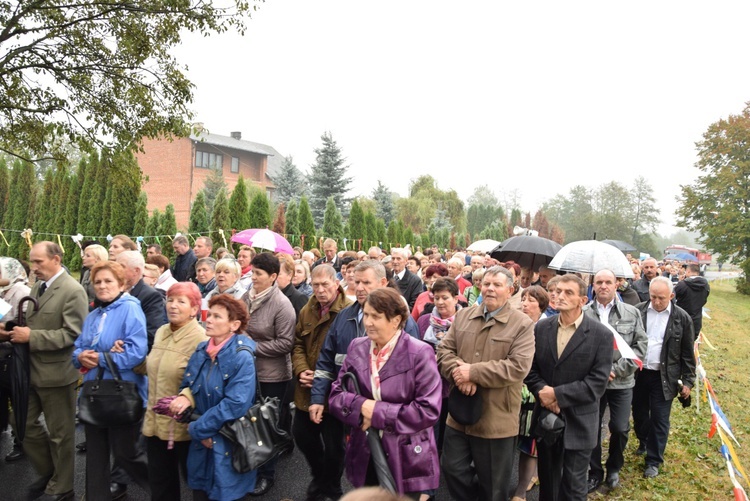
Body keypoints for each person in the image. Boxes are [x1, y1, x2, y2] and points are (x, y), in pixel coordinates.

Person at [329, 288, 442, 498]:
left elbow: (428, 410)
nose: (368, 322)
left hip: (407, 455)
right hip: (365, 449)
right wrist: (362, 406)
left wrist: (377, 412)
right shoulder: (357, 347)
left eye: (376, 317)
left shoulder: (419, 353)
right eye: (367, 314)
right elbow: (336, 395)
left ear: (396, 320)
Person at [437, 266, 535, 501]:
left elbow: (518, 366)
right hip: (459, 415)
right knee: (452, 470)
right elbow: (444, 351)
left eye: (497, 285)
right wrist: (460, 374)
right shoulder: (463, 316)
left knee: (493, 487)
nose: (490, 288)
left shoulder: (522, 324)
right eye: (487, 283)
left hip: (496, 419)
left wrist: (474, 373)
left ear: (510, 289)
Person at [0, 242, 88, 501]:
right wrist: (12, 330)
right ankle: (51, 471)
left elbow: (73, 334)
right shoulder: (39, 286)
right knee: (20, 423)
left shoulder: (73, 291)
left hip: (58, 375)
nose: (34, 267)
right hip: (30, 371)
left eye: (38, 262)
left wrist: (32, 337)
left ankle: (62, 487)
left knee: (61, 435)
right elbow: (35, 320)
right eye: (32, 262)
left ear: (56, 259)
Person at [524, 275, 613, 501]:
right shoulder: (542, 328)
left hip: (579, 422)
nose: (559, 295)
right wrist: (543, 392)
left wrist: (556, 395)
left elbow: (597, 382)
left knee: (573, 489)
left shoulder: (601, 335)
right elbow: (531, 370)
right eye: (558, 290)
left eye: (568, 292)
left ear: (582, 300)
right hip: (546, 420)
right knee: (548, 487)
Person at [72, 261, 150, 499]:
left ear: (121, 283)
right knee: (96, 455)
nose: (103, 286)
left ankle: (160, 487)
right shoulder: (94, 314)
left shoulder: (131, 309)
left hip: (122, 393)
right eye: (98, 282)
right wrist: (80, 356)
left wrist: (100, 358)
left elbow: (136, 352)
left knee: (127, 455)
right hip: (94, 393)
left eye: (108, 281)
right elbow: (78, 346)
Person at [168, 295, 257, 501]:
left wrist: (200, 429)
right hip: (202, 441)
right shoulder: (201, 350)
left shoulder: (241, 356)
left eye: (217, 316)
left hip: (229, 440)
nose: (208, 319)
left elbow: (236, 403)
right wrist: (184, 398)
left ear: (234, 325)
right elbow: (188, 384)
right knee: (200, 492)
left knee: (226, 492)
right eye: (210, 314)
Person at [310, 260, 421, 424]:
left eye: (366, 282)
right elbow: (326, 360)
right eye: (357, 282)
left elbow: (412, 378)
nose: (359, 288)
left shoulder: (403, 322)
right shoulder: (344, 316)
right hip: (348, 409)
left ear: (383, 282)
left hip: (386, 416)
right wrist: (318, 397)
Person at [583, 269, 647, 493]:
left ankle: (613, 467)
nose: (603, 286)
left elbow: (640, 348)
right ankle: (594, 472)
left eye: (608, 282)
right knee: (591, 429)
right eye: (598, 282)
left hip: (621, 382)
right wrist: (598, 371)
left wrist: (616, 370)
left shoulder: (631, 312)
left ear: (617, 284)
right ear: (593, 285)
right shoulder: (583, 313)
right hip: (592, 384)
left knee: (619, 428)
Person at [292, 264, 352, 501]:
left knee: (335, 448)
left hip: (333, 392)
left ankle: (332, 487)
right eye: (315, 284)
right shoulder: (308, 309)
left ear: (336, 283)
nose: (319, 289)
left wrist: (324, 380)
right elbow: (297, 344)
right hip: (305, 389)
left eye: (325, 284)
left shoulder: (348, 311)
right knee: (303, 436)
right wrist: (301, 369)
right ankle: (321, 478)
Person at [142, 282, 207, 500]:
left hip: (183, 425)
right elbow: (153, 365)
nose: (173, 306)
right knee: (160, 482)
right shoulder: (161, 331)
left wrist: (186, 397)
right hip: (155, 420)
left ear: (194, 309)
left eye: (181, 301)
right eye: (170, 300)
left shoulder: (201, 338)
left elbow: (204, 380)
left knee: (195, 481)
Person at [241, 252, 296, 496]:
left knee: (266, 425)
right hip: (247, 371)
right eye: (252, 272)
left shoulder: (282, 304)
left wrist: (252, 346)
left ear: (273, 276)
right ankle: (249, 468)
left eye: (258, 274)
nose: (253, 277)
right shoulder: (246, 296)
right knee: (247, 423)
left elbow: (286, 343)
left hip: (273, 375)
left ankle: (267, 475)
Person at [633, 277, 695, 479]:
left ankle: (653, 461)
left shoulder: (682, 318)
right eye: (653, 297)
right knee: (640, 414)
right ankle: (644, 440)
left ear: (671, 296)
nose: (656, 302)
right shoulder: (639, 311)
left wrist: (688, 381)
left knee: (660, 419)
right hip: (639, 373)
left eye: (661, 298)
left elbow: (687, 352)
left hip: (664, 376)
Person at [512, 285, 550, 501]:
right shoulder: (515, 324)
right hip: (512, 390)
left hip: (532, 393)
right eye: (523, 299)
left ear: (541, 306)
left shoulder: (546, 328)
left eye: (531, 300)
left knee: (529, 443)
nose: (524, 303)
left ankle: (520, 492)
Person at [416, 277, 460, 453]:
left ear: (456, 299)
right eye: (436, 298)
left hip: (452, 384)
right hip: (427, 384)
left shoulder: (464, 320)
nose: (440, 302)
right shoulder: (424, 321)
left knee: (449, 432)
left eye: (445, 297)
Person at [0, 256, 32, 463]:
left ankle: (22, 442)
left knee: (18, 399)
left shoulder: (21, 292)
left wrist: (5, 331)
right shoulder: (3, 291)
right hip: (3, 354)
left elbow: (24, 326)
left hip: (14, 355)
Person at [117, 251, 167, 352]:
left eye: (121, 266)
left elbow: (151, 334)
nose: (116, 270)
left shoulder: (150, 296)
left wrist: (122, 344)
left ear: (136, 271)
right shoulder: (112, 291)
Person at [674, 263, 710, 335]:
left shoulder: (682, 284)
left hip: (681, 318)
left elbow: (673, 296)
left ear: (688, 272)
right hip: (696, 318)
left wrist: (680, 282)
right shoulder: (706, 285)